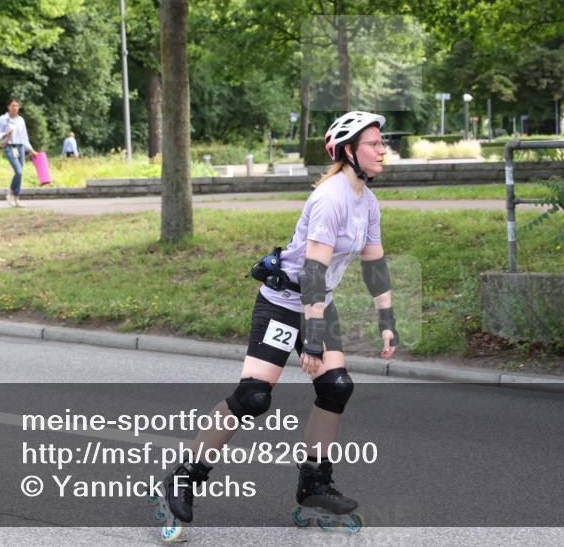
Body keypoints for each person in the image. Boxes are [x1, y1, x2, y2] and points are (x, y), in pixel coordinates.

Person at [159, 110, 397, 531]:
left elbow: (374, 264)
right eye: (374, 143)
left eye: (382, 142)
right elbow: (313, 271)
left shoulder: (368, 201)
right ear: (348, 151)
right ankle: (184, 477)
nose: (383, 149)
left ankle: (313, 486)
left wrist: (387, 318)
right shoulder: (331, 197)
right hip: (285, 300)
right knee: (253, 398)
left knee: (335, 387)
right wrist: (313, 338)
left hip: (317, 302)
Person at [0, 99, 34, 207]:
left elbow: (25, 137)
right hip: (9, 147)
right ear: (8, 107)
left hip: (20, 148)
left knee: (19, 174)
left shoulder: (21, 120)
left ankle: (17, 199)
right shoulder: (3, 119)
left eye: (17, 106)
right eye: (12, 105)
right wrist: (6, 133)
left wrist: (31, 149)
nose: (15, 107)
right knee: (19, 171)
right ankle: (10, 193)